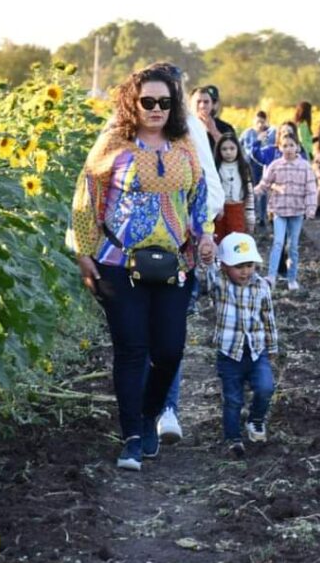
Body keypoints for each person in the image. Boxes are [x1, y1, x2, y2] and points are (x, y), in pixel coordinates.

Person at [69, 65, 215, 472]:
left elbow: (198, 196)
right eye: (147, 101)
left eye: (164, 103)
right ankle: (132, 435)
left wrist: (204, 236)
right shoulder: (113, 143)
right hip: (118, 263)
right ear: (132, 103)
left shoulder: (184, 144)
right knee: (132, 350)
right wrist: (83, 251)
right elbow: (87, 195)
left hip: (175, 263)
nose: (156, 109)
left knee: (169, 351)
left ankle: (151, 414)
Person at [145, 64, 225, 446]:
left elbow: (211, 185)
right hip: (134, 248)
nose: (164, 102)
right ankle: (142, 415)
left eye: (172, 93)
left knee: (168, 334)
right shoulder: (128, 126)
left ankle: (165, 410)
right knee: (137, 335)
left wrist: (204, 229)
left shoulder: (191, 128)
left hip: (180, 248)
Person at [209, 232, 278, 458]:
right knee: (233, 399)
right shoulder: (220, 284)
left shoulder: (261, 287)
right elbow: (204, 276)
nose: (245, 271)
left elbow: (268, 317)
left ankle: (256, 419)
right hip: (230, 354)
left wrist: (273, 347)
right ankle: (233, 438)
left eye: (249, 265)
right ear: (225, 266)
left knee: (266, 387)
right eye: (239, 266)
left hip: (257, 351)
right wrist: (206, 255)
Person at [253, 130, 317, 290]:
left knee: (293, 245)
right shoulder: (275, 165)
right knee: (278, 242)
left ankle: (292, 278)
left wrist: (311, 208)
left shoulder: (304, 167)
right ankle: (271, 277)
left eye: (291, 146)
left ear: (297, 147)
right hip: (279, 210)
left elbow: (311, 189)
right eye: (285, 146)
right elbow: (265, 183)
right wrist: (253, 192)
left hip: (297, 211)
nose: (288, 149)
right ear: (279, 148)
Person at [214, 133, 256, 243]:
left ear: (238, 148)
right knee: (220, 243)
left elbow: (249, 193)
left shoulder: (244, 167)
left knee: (236, 244)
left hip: (237, 210)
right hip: (219, 212)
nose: (228, 152)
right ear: (219, 151)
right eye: (224, 149)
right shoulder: (215, 168)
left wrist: (250, 216)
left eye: (232, 148)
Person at [240, 111, 276, 229]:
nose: (260, 124)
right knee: (253, 189)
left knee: (264, 190)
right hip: (250, 165)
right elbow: (239, 145)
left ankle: (263, 216)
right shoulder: (248, 133)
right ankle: (252, 216)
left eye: (262, 122)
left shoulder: (271, 133)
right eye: (258, 122)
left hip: (265, 165)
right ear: (254, 121)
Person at [191, 86, 235, 154]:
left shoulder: (225, 128)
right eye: (198, 102)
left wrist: (214, 131)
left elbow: (232, 153)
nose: (202, 106)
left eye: (206, 102)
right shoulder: (183, 126)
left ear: (212, 105)